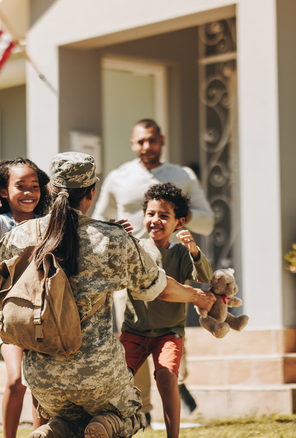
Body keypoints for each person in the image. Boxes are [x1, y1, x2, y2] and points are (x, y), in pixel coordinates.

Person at [0, 152, 216, 438]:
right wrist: (197, 296)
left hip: (43, 378)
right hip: (100, 376)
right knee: (131, 415)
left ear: (50, 190)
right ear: (91, 193)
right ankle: (105, 423)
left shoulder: (20, 235)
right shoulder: (111, 238)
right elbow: (160, 287)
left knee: (61, 413)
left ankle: (54, 427)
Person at [92, 118, 214, 421]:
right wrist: (117, 235)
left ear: (162, 140)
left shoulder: (181, 175)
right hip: (131, 267)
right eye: (140, 141)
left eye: (152, 140)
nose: (147, 146)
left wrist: (172, 214)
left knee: (168, 336)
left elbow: (208, 220)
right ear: (133, 144)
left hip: (168, 266)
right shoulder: (119, 177)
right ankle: (143, 410)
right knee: (132, 335)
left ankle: (176, 387)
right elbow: (98, 219)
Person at [119, 183, 212, 438]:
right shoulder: (135, 248)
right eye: (150, 214)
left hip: (168, 333)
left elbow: (204, 276)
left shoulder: (181, 253)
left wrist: (194, 249)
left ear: (179, 222)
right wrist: (118, 235)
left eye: (163, 215)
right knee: (119, 380)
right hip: (134, 331)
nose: (155, 220)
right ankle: (117, 428)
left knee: (167, 378)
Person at [0, 157, 52, 438]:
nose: (29, 192)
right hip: (10, 316)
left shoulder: (46, 223)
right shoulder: (2, 224)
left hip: (42, 313)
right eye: (21, 186)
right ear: (4, 191)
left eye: (35, 186)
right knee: (17, 380)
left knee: (40, 385)